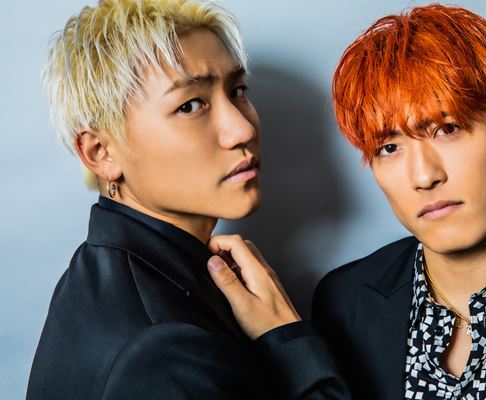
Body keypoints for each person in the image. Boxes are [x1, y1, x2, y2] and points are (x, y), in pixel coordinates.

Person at [206, 4, 486, 400]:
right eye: (389, 148)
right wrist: (288, 342)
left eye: (448, 129)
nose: (424, 177)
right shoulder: (347, 302)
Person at [27, 1, 350, 399]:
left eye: (238, 91)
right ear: (101, 153)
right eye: (190, 105)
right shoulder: (162, 350)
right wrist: (287, 338)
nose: (242, 129)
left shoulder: (110, 273)